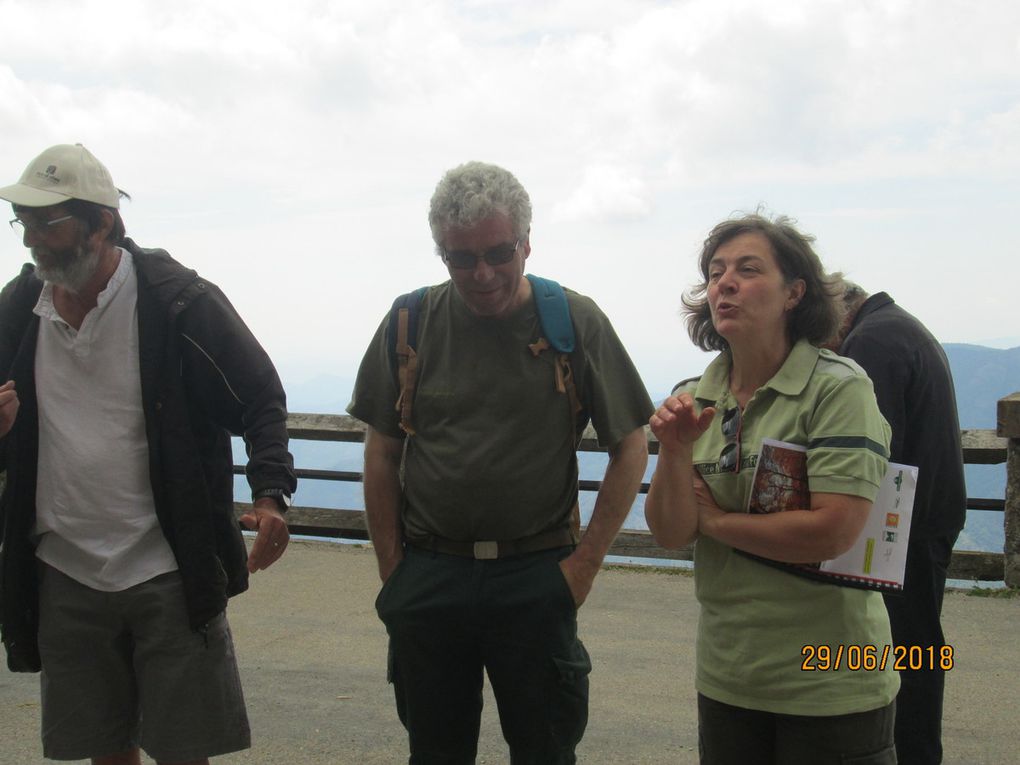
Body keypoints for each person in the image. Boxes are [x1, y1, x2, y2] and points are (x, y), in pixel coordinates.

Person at [0, 143, 297, 765]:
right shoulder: (17, 312)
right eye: (23, 222)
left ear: (102, 222)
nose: (31, 239)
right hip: (64, 569)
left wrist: (270, 494)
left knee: (183, 749)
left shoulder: (175, 301)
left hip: (167, 564)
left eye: (46, 223)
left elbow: (259, 395)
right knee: (105, 750)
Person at [347, 161, 652, 763]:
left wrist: (583, 566)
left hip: (536, 572)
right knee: (435, 751)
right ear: (443, 257)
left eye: (498, 252)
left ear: (527, 242)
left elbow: (631, 444)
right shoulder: (410, 322)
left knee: (545, 749)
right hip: (431, 573)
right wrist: (394, 571)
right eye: (462, 258)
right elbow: (382, 450)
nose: (482, 273)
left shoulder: (573, 320)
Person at [645, 213, 899, 765]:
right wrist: (674, 448)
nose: (724, 283)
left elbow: (834, 529)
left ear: (794, 293)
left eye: (748, 269)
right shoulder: (695, 395)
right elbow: (668, 531)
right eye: (715, 272)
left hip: (832, 680)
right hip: (729, 675)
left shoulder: (837, 387)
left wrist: (714, 523)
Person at [833, 282, 965, 765]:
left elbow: (869, 446)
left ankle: (911, 753)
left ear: (836, 314)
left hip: (904, 528)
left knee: (905, 655)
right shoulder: (899, 326)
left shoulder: (870, 342)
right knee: (919, 648)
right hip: (931, 513)